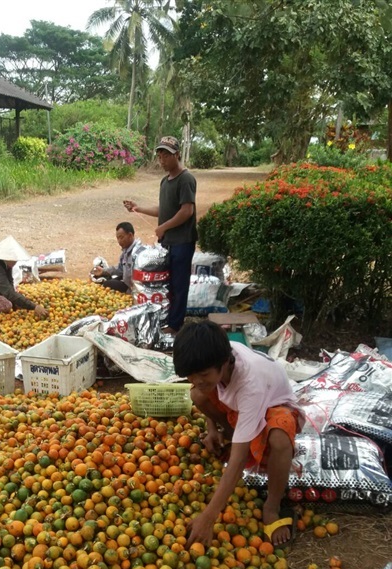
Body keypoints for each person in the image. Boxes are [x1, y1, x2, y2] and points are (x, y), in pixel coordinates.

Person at [173, 321, 302, 547]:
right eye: (191, 376)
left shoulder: (250, 385)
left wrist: (208, 516)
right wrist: (212, 428)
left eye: (203, 374)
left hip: (274, 405)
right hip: (239, 407)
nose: (196, 381)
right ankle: (234, 433)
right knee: (198, 395)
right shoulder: (217, 353)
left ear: (224, 363)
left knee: (280, 436)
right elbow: (204, 387)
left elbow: (239, 460)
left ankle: (272, 506)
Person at [123, 136, 197, 334]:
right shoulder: (165, 181)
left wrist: (163, 227)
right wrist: (138, 208)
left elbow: (187, 211)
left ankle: (175, 325)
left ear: (177, 155)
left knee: (179, 285)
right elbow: (164, 209)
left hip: (182, 241)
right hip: (167, 242)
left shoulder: (186, 179)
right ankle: (166, 318)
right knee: (166, 283)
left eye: (166, 155)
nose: (162, 160)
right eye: (160, 156)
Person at [90, 222, 142, 294]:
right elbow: (120, 269)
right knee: (103, 279)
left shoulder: (138, 253)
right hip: (126, 280)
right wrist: (103, 271)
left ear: (130, 235)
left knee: (106, 284)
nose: (119, 241)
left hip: (133, 288)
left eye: (121, 237)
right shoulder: (126, 251)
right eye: (118, 238)